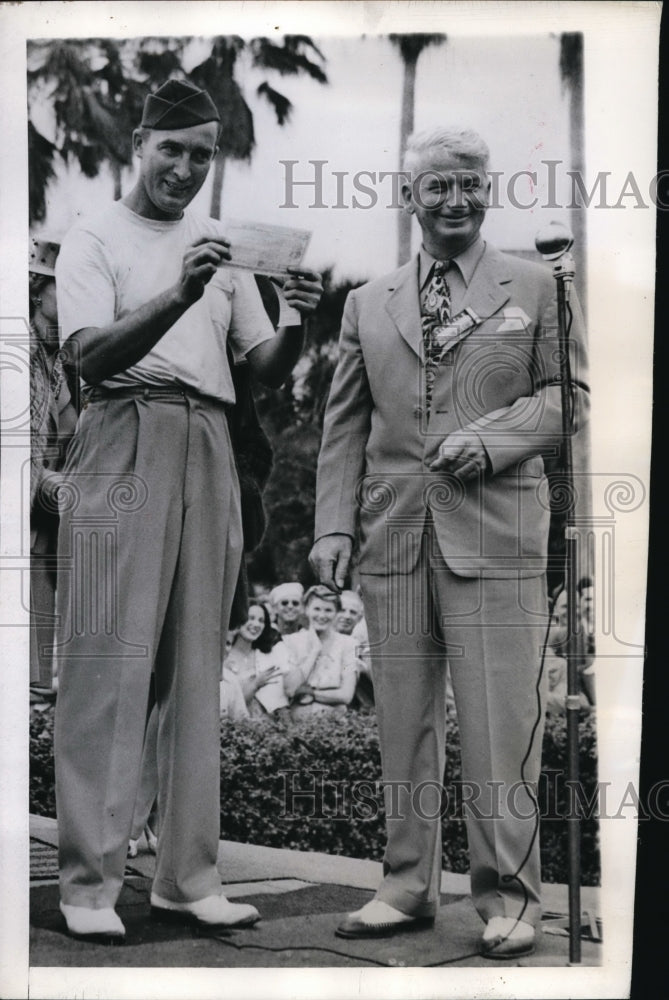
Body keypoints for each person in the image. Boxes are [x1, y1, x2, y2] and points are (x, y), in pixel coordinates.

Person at [53, 79, 322, 942]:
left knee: (195, 666)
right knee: (107, 662)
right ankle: (88, 886)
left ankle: (185, 876)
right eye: (172, 148)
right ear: (139, 143)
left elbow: (259, 366)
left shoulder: (220, 248)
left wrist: (299, 327)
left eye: (202, 153)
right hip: (121, 433)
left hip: (208, 441)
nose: (185, 166)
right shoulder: (94, 236)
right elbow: (89, 359)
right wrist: (177, 293)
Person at [310, 126, 589, 956]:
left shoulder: (536, 287)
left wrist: (491, 439)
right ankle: (404, 885)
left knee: (501, 727)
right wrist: (330, 526)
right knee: (403, 722)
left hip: (497, 536)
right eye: (436, 186)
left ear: (487, 189)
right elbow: (342, 428)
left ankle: (509, 899)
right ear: (410, 198)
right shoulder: (369, 301)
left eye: (468, 183)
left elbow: (566, 400)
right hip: (392, 541)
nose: (454, 199)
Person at [29, 237, 79, 692]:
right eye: (64, 288)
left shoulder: (59, 361)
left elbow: (75, 434)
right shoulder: (18, 353)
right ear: (35, 291)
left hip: (45, 514)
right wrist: (54, 483)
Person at [284, 585, 357, 721]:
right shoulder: (290, 642)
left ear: (336, 612)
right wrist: (314, 651)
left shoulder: (348, 644)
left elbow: (346, 695)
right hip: (298, 722)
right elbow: (290, 689)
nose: (322, 615)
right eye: (317, 609)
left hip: (335, 722)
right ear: (306, 610)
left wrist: (309, 693)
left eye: (328, 610)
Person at [223, 603, 291, 720]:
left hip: (270, 725)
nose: (256, 624)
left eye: (261, 620)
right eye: (251, 618)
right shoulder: (225, 656)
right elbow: (229, 704)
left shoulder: (268, 655)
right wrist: (255, 684)